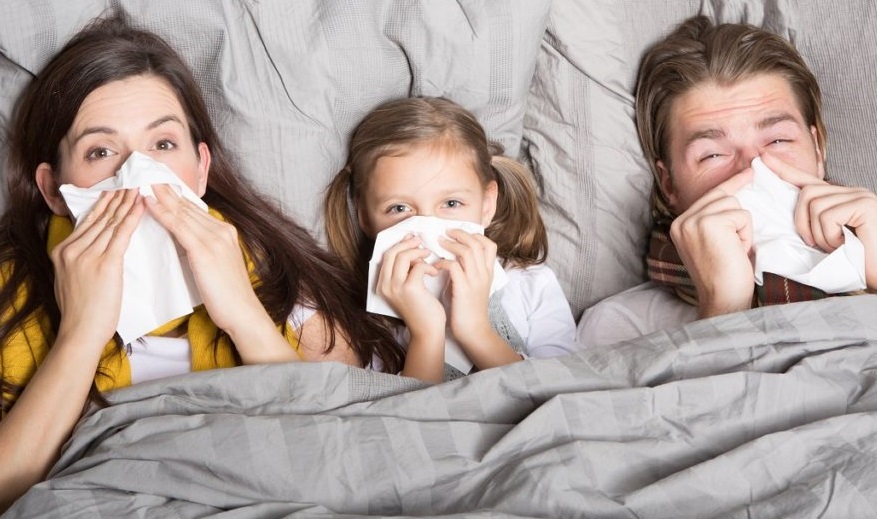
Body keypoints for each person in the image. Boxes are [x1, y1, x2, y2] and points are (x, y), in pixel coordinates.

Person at [0, 14, 405, 509]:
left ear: (200, 170)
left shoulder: (281, 279)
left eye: (163, 145)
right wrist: (80, 333)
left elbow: (342, 458)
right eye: (101, 151)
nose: (139, 175)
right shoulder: (9, 296)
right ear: (54, 190)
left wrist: (242, 314)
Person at [577, 15, 877, 348]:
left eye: (778, 140)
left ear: (818, 150)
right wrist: (724, 309)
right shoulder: (622, 326)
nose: (754, 169)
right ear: (669, 185)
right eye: (712, 155)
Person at [324, 97, 576, 383]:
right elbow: (405, 412)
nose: (427, 228)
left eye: (451, 203)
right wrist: (426, 334)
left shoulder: (532, 286)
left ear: (486, 206)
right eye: (399, 208)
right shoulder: (367, 323)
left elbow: (563, 393)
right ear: (365, 218)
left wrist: (475, 329)